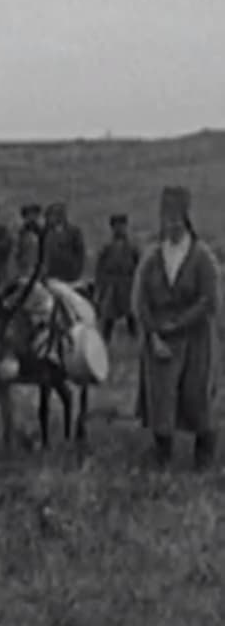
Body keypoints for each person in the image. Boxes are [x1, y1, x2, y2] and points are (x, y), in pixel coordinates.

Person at [132, 185, 220, 471]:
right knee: (161, 397)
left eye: (176, 220)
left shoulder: (202, 256)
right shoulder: (152, 257)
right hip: (161, 341)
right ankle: (162, 457)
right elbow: (141, 299)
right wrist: (154, 334)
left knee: (197, 396)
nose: (171, 226)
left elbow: (208, 300)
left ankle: (204, 459)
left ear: (187, 220)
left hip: (196, 338)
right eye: (166, 219)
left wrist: (179, 323)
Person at [94, 214, 140, 342]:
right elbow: (100, 268)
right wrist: (100, 288)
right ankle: (104, 343)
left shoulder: (132, 246)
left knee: (131, 316)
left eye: (122, 226)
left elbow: (139, 266)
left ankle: (135, 340)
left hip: (127, 284)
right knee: (109, 317)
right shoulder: (107, 247)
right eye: (116, 226)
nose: (120, 229)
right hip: (111, 285)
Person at [43, 202, 86, 283]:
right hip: (50, 275)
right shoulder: (45, 233)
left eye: (53, 215)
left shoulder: (74, 232)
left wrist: (76, 272)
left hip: (69, 276)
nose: (50, 218)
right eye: (49, 216)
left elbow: (80, 254)